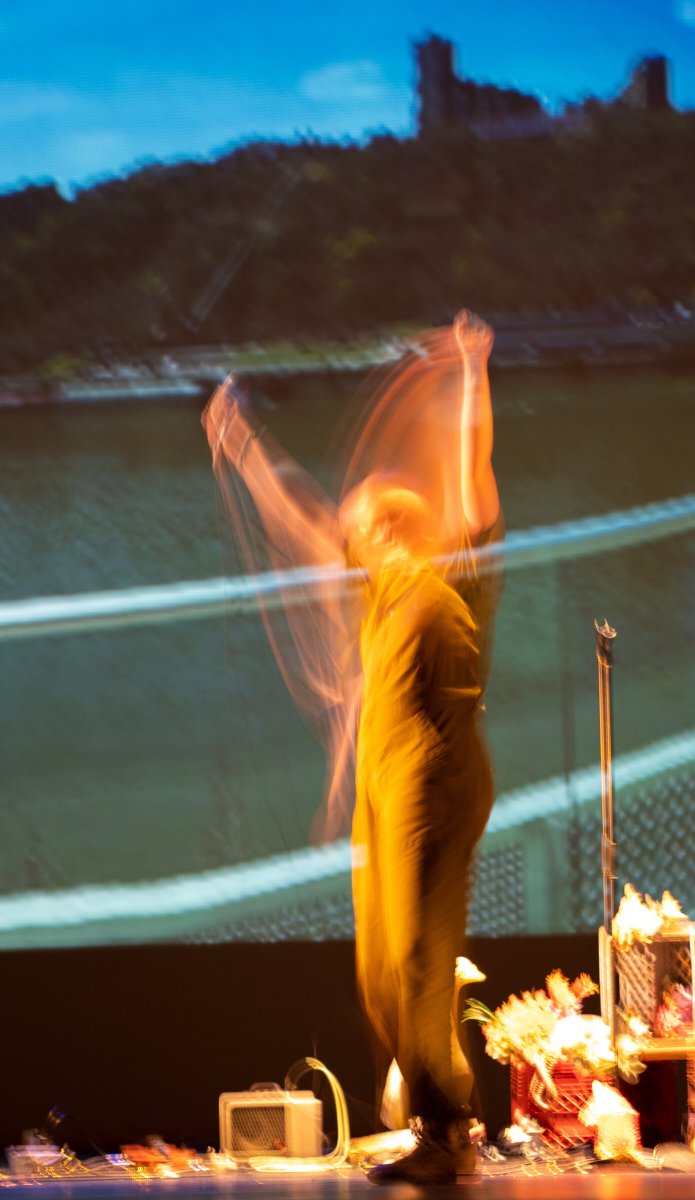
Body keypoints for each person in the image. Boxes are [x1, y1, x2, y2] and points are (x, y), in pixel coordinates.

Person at [203, 310, 501, 1185]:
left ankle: (452, 1133)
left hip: (435, 784)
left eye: (363, 521)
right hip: (388, 784)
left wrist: (473, 374)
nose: (350, 532)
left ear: (392, 528)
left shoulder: (455, 575)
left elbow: (472, 474)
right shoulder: (376, 593)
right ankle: (439, 1126)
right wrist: (243, 443)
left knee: (416, 964)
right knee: (381, 975)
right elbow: (298, 517)